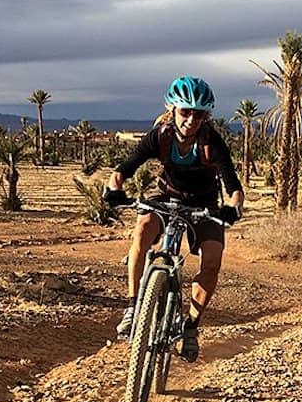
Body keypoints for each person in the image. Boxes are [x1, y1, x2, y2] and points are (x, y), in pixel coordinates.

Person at [104, 76, 244, 362]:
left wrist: (232, 209)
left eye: (199, 113)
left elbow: (233, 186)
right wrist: (114, 189)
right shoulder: (160, 135)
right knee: (142, 228)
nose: (191, 119)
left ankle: (190, 326)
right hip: (167, 197)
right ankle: (133, 306)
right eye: (185, 111)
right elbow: (124, 169)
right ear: (172, 109)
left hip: (205, 205)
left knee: (213, 260)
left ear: (206, 116)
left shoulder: (211, 141)